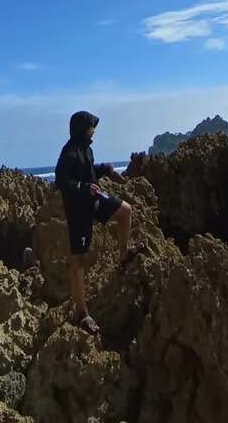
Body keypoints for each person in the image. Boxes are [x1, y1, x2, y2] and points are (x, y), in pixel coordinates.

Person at [54, 110, 146, 335]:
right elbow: (62, 180)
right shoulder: (69, 152)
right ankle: (82, 312)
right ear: (81, 129)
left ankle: (124, 254)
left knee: (125, 211)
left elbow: (87, 171)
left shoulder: (87, 149)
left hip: (94, 200)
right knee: (79, 261)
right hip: (79, 211)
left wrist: (105, 169)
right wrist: (83, 188)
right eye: (90, 127)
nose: (93, 131)